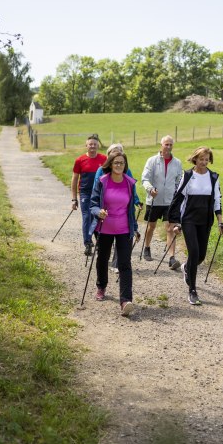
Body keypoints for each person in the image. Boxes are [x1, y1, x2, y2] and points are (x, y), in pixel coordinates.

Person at [168, 146, 223, 305]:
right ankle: (192, 290)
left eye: (207, 159)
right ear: (195, 159)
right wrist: (176, 222)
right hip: (189, 220)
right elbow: (177, 199)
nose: (204, 162)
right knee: (194, 252)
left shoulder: (213, 177)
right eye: (201, 159)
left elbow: (217, 200)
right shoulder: (188, 175)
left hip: (205, 220)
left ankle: (187, 267)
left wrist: (220, 221)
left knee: (201, 256)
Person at [89, 150, 140, 317]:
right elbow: (93, 204)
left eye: (122, 163)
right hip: (105, 227)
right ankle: (101, 286)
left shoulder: (129, 183)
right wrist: (98, 212)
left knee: (125, 264)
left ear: (125, 165)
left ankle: (125, 300)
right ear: (110, 164)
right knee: (103, 258)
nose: (119, 165)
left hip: (124, 228)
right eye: (116, 162)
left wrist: (135, 227)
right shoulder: (103, 181)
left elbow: (130, 208)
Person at [93, 143, 142, 273]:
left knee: (123, 255)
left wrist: (137, 201)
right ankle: (102, 283)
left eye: (120, 153)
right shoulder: (101, 172)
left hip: (123, 220)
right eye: (114, 153)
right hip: (105, 218)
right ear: (110, 158)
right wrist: (99, 211)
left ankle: (116, 264)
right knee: (103, 255)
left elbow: (132, 190)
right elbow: (97, 192)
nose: (119, 164)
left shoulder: (127, 172)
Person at [141, 135, 183, 269]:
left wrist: (177, 192)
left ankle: (172, 258)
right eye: (166, 144)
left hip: (170, 201)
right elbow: (145, 179)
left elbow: (179, 180)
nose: (169, 147)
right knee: (151, 226)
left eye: (171, 145)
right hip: (154, 199)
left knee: (170, 228)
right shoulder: (152, 161)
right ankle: (147, 247)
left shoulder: (177, 162)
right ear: (161, 145)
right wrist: (150, 189)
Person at [71, 134, 107, 256]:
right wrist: (74, 199)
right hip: (85, 193)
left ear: (98, 146)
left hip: (99, 194)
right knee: (87, 217)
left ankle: (99, 242)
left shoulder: (104, 159)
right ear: (86, 145)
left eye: (95, 144)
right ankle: (87, 243)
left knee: (99, 217)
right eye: (90, 144)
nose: (92, 146)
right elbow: (75, 179)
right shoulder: (80, 160)